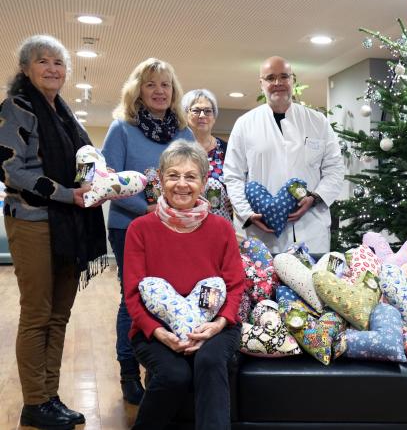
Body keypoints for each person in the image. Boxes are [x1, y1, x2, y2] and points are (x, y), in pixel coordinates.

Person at [0, 35, 107, 429]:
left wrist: (98, 181)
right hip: (32, 222)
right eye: (42, 61)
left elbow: (84, 160)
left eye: (58, 63)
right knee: (37, 314)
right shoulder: (16, 108)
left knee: (59, 314)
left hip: (68, 226)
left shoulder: (62, 113)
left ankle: (49, 396)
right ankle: (34, 400)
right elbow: (12, 170)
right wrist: (68, 194)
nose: (52, 69)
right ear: (26, 69)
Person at [124, 139, 244, 429]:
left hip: (216, 325)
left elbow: (236, 285)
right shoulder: (140, 228)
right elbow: (131, 294)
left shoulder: (221, 228)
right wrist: (160, 333)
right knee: (174, 374)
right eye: (173, 175)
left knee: (211, 361)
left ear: (203, 183)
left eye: (190, 177)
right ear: (161, 180)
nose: (181, 184)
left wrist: (216, 326)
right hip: (156, 327)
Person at [102, 58, 195, 405]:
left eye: (166, 85)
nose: (159, 91)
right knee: (135, 299)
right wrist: (147, 210)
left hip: (175, 229)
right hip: (131, 227)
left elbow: (193, 177)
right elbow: (109, 183)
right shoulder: (121, 128)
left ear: (174, 92)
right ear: (138, 90)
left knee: (168, 297)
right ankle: (129, 371)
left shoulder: (184, 133)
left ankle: (159, 368)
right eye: (151, 84)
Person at [223, 56, 345, 253]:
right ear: (261, 83)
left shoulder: (317, 122)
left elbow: (335, 169)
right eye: (270, 78)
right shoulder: (245, 124)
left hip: (311, 229)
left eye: (284, 77)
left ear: (293, 80)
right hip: (262, 232)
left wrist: (314, 197)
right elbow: (233, 175)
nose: (278, 83)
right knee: (264, 283)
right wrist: (247, 214)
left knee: (309, 281)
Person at [181, 89, 232, 221]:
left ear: (214, 117)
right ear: (185, 115)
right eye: (196, 110)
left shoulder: (228, 149)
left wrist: (236, 200)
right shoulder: (177, 149)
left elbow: (240, 180)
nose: (202, 115)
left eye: (208, 111)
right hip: (184, 219)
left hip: (221, 221)